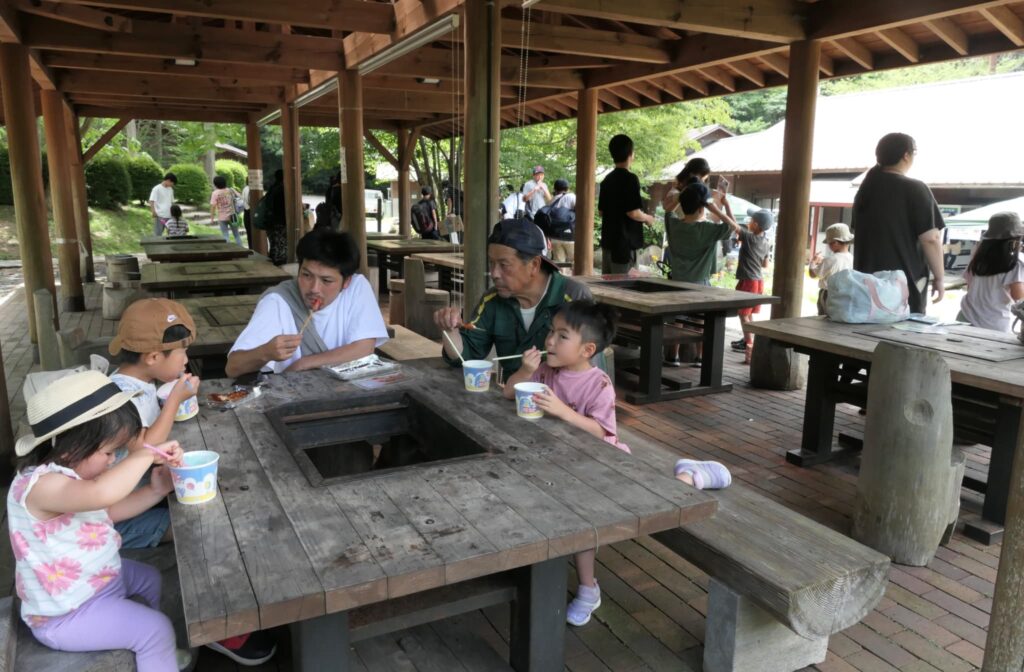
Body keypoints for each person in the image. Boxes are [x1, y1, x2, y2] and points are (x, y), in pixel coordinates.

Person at [503, 301, 730, 626]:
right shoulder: (545, 371)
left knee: (647, 507)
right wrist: (524, 372)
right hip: (565, 464)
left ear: (587, 350)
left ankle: (692, 477)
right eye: (551, 332)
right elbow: (509, 394)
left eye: (562, 335)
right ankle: (580, 584)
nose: (550, 341)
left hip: (605, 466)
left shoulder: (599, 384)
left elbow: (601, 430)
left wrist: (564, 411)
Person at [9, 371, 190, 671]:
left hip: (95, 582)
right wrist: (144, 455)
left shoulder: (71, 479)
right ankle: (155, 646)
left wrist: (155, 489)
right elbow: (102, 494)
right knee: (155, 629)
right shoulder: (39, 488)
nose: (113, 460)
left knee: (151, 579)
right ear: (71, 446)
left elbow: (107, 512)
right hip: (65, 613)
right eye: (109, 452)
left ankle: (155, 655)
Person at [434, 218, 592, 380]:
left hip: (562, 400)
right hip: (512, 397)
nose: (494, 273)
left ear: (534, 265)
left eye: (504, 264)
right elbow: (465, 359)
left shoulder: (573, 298)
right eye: (492, 263)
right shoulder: (492, 301)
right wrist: (450, 331)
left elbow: (586, 370)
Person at [226, 228, 389, 378]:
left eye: (326, 280)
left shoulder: (356, 288)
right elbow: (232, 368)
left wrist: (304, 363)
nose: (314, 289)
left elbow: (364, 348)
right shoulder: (277, 301)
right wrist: (265, 352)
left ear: (346, 282)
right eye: (306, 275)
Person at [107, 298, 200, 549]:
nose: (185, 361)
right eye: (182, 353)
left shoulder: (140, 380)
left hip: (142, 491)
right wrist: (174, 400)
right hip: (115, 521)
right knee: (196, 525)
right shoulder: (121, 396)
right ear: (153, 357)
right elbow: (147, 448)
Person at [852, 132, 945, 314]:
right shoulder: (914, 188)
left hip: (866, 284)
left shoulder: (865, 190)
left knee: (866, 338)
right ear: (906, 155)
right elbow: (931, 238)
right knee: (902, 336)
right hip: (902, 285)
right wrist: (940, 278)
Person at [664, 183, 740, 367]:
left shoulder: (673, 225)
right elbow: (733, 227)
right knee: (701, 320)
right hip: (700, 286)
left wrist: (680, 198)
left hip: (676, 283)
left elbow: (668, 212)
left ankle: (673, 357)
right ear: (703, 207)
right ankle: (699, 358)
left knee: (677, 321)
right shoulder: (708, 229)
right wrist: (718, 207)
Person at [598, 134, 656, 273]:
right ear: (631, 154)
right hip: (624, 246)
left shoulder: (607, 180)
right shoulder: (630, 179)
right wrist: (648, 218)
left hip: (608, 244)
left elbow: (601, 212)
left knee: (608, 287)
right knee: (624, 288)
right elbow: (633, 212)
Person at [959, 212, 1024, 332]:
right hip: (993, 325)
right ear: (1015, 239)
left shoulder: (977, 260)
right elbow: (1019, 299)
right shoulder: (1015, 264)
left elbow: (971, 288)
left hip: (965, 318)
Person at [731, 209, 774, 363]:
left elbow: (732, 223)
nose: (748, 222)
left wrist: (725, 204)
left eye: (750, 220)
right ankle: (748, 340)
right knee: (748, 314)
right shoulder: (765, 241)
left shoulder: (749, 237)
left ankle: (750, 346)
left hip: (748, 281)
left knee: (743, 315)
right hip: (758, 281)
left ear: (755, 224)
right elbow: (765, 264)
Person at [809, 223, 855, 316]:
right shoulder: (852, 258)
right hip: (845, 294)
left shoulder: (830, 259)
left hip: (828, 294)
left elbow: (813, 274)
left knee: (824, 317)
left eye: (829, 243)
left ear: (835, 243)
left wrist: (813, 262)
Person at [536, 178, 577, 263]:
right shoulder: (571, 196)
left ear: (555, 189)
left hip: (555, 237)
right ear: (567, 188)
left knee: (560, 264)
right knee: (575, 263)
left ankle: (562, 276)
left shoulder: (552, 201)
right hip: (570, 236)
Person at [264, 169, 288, 266]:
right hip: (280, 221)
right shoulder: (282, 190)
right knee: (280, 245)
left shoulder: (272, 188)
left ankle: (273, 262)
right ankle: (278, 265)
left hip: (270, 221)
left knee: (274, 244)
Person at [210, 176, 242, 246]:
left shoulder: (215, 193)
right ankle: (242, 250)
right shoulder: (230, 190)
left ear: (215, 184)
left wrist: (212, 219)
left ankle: (228, 251)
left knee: (225, 235)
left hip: (222, 217)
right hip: (233, 216)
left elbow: (213, 206)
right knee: (236, 235)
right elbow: (240, 197)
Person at [148, 173, 176, 237]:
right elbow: (151, 201)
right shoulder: (156, 188)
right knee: (158, 234)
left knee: (172, 233)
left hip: (170, 216)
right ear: (168, 180)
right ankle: (156, 246)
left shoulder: (170, 189)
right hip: (160, 216)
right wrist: (153, 212)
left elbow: (172, 202)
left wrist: (174, 213)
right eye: (172, 183)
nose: (172, 185)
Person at [241, 182, 253, 250]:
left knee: (249, 233)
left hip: (246, 212)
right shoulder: (250, 189)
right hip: (251, 211)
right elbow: (250, 201)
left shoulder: (245, 188)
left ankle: (251, 248)